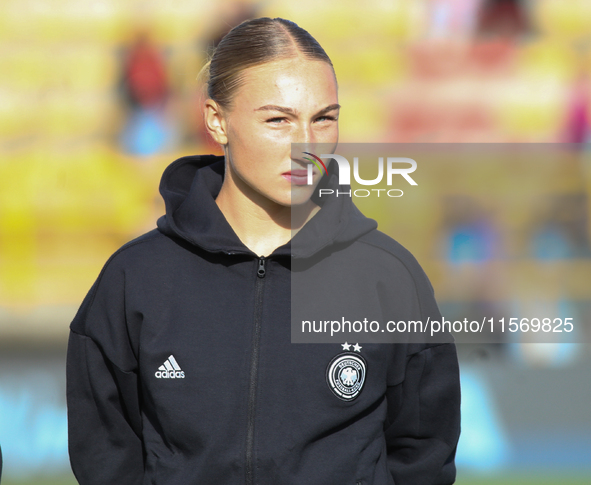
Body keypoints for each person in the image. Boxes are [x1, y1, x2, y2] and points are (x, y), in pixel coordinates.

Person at [66, 17, 461, 485]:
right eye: (278, 120)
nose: (306, 146)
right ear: (217, 120)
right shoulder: (136, 278)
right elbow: (106, 456)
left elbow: (423, 455)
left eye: (324, 118)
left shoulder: (388, 277)